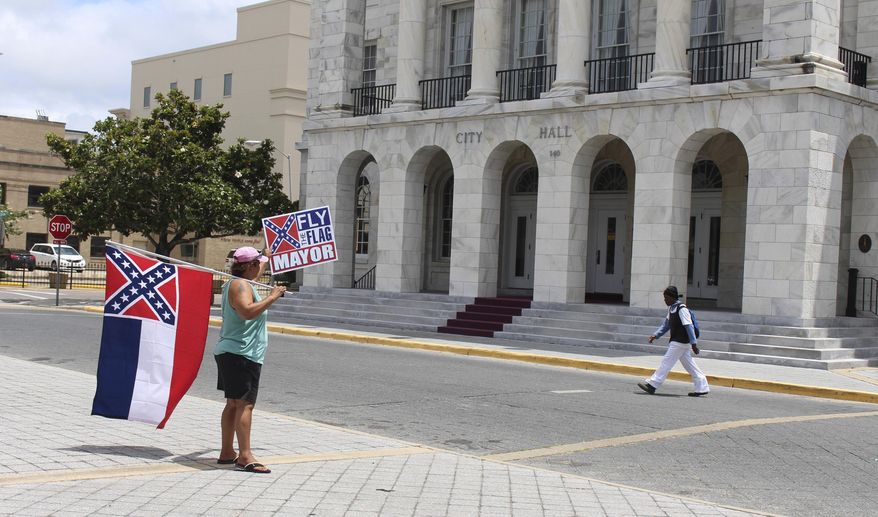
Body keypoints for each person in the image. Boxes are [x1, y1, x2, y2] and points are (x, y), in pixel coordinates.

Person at [214, 246, 286, 473]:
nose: (261, 268)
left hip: (233, 351)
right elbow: (246, 311)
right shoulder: (241, 285)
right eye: (258, 265)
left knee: (233, 403)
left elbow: (262, 261)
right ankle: (245, 455)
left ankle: (227, 452)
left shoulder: (235, 282)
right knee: (245, 405)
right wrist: (272, 297)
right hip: (241, 353)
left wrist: (266, 252)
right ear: (248, 266)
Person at [637, 286, 710, 397]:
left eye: (666, 298)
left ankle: (652, 384)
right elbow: (666, 325)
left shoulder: (682, 309)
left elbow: (689, 326)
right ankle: (702, 387)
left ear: (672, 297)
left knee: (666, 362)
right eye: (664, 298)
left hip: (680, 342)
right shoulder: (671, 309)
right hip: (679, 342)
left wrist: (694, 344)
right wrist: (655, 335)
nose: (665, 300)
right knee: (690, 365)